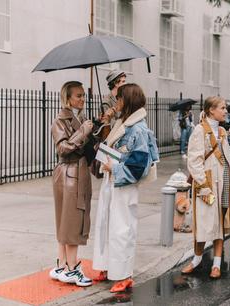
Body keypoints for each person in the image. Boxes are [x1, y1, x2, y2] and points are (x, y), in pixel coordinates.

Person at [93, 83, 159, 293]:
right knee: (105, 224)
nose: (117, 102)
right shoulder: (123, 122)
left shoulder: (137, 128)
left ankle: (124, 274)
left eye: (119, 99)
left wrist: (114, 167)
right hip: (112, 181)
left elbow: (140, 164)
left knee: (122, 229)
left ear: (127, 101)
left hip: (123, 184)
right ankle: (106, 266)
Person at [181, 96, 230, 279]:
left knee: (220, 221)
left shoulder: (221, 131)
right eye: (222, 107)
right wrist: (203, 186)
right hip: (207, 184)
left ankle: (217, 263)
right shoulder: (199, 130)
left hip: (224, 182)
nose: (226, 110)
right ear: (211, 110)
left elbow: (226, 159)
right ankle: (196, 260)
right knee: (203, 222)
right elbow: (194, 161)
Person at [49, 81, 94, 287]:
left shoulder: (81, 118)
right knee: (72, 221)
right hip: (69, 173)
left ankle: (62, 265)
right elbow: (63, 149)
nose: (82, 99)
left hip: (74, 172)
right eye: (78, 96)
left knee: (66, 221)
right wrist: (83, 132)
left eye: (84, 95)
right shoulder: (60, 120)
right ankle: (72, 268)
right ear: (67, 98)